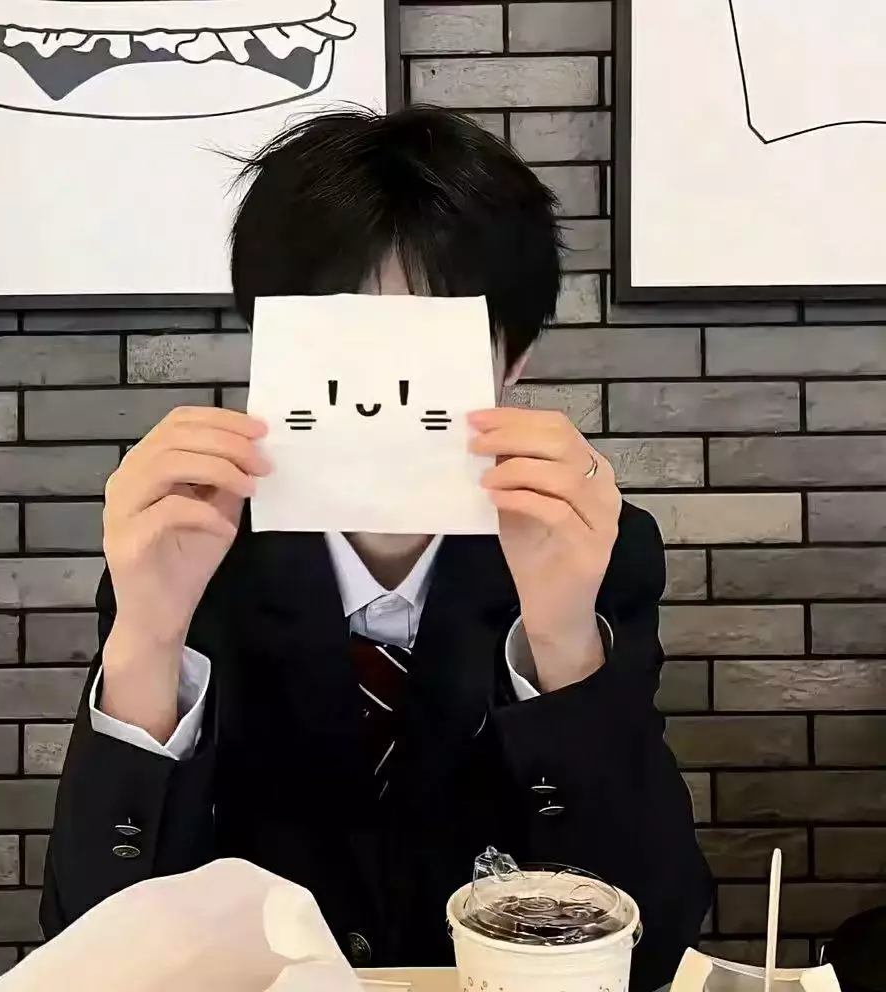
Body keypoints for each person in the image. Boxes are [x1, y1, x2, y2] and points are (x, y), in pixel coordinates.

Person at [41, 106, 711, 991]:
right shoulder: (194, 548)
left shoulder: (591, 547)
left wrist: (561, 646)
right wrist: (147, 641)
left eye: (423, 349)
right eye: (335, 342)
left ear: (511, 361)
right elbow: (88, 942)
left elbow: (652, 938)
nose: (374, 391)